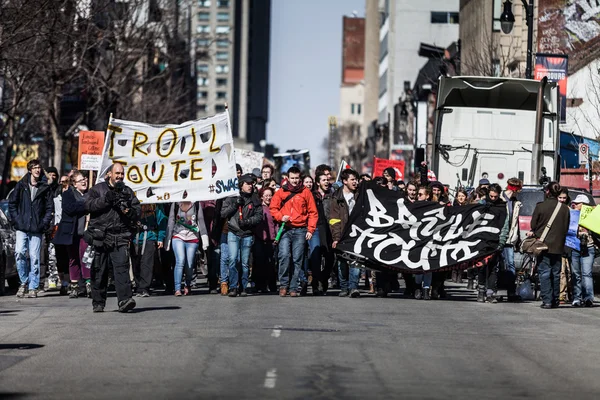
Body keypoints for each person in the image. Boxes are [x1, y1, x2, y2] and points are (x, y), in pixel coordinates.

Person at [84, 163, 140, 312]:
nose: (120, 176)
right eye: (117, 173)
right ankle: (98, 302)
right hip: (101, 235)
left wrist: (128, 211)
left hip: (120, 235)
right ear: (109, 174)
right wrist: (105, 200)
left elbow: (137, 210)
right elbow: (88, 205)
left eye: (122, 173)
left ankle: (125, 300)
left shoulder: (127, 191)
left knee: (122, 269)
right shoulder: (97, 189)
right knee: (99, 270)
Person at [8, 159, 54, 298]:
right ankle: (23, 282)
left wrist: (43, 224)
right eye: (34, 167)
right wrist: (17, 220)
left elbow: (49, 208)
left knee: (34, 257)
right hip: (22, 227)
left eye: (39, 167)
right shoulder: (21, 185)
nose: (37, 170)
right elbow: (12, 204)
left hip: (37, 227)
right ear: (29, 170)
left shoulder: (44, 187)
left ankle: (33, 286)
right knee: (19, 253)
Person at [271, 166, 318, 297]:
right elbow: (273, 208)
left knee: (298, 259)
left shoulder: (306, 192)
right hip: (285, 229)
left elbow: (313, 212)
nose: (295, 181)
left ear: (300, 178)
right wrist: (281, 216)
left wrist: (310, 229)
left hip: (301, 230)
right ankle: (283, 284)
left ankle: (293, 287)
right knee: (284, 256)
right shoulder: (281, 191)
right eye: (292, 178)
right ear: (288, 178)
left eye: (297, 178)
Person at [528, 182, 570, 309]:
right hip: (558, 246)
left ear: (547, 192)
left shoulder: (541, 206)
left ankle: (547, 300)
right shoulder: (564, 208)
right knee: (556, 273)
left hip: (543, 244)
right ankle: (555, 300)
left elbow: (533, 225)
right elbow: (566, 227)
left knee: (545, 272)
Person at [221, 173, 263, 297]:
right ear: (241, 185)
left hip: (247, 234)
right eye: (247, 184)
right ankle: (233, 287)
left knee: (245, 263)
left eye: (251, 184)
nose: (250, 186)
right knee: (233, 260)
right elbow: (223, 213)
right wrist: (235, 205)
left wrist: (248, 222)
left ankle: (243, 286)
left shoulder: (255, 198)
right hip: (233, 232)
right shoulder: (232, 197)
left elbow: (259, 216)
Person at [53, 171, 90, 298]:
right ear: (74, 184)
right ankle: (74, 285)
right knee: (73, 258)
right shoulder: (68, 194)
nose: (84, 182)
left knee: (86, 258)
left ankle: (88, 284)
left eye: (85, 179)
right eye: (81, 180)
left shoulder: (90, 194)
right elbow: (70, 208)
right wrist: (86, 205)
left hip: (85, 232)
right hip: (71, 232)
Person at [166, 201, 209, 296]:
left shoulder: (196, 203)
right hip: (178, 235)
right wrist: (167, 240)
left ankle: (188, 284)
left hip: (192, 236)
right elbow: (171, 220)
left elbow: (200, 220)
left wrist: (204, 239)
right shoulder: (175, 203)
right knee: (180, 260)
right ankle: (177, 288)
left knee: (189, 264)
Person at [330, 169, 361, 298]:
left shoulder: (360, 195)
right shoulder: (336, 197)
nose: (355, 182)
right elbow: (333, 220)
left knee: (356, 261)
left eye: (356, 179)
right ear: (345, 181)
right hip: (342, 234)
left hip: (357, 234)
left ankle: (353, 287)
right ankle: (343, 287)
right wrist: (336, 238)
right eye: (352, 179)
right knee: (342, 261)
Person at [131, 204, 167, 297]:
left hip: (150, 236)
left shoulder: (155, 204)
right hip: (134, 238)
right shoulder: (131, 201)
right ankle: (138, 286)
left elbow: (161, 219)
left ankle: (144, 288)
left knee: (147, 263)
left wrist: (160, 237)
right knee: (136, 264)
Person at [570, 194, 595, 307]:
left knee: (586, 273)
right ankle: (577, 297)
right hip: (574, 246)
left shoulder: (592, 215)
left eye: (579, 203)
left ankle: (588, 297)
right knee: (575, 273)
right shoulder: (571, 214)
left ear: (584, 205)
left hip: (588, 246)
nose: (576, 204)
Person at [500, 178, 523, 301]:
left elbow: (516, 221)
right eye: (518, 190)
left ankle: (511, 291)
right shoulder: (500, 199)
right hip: (498, 237)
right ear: (514, 189)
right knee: (497, 265)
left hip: (510, 238)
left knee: (511, 265)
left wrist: (517, 238)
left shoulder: (515, 202)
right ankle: (492, 290)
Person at [253, 187, 278, 293]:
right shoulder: (258, 208)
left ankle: (272, 285)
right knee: (259, 262)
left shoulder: (274, 208)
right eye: (266, 195)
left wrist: (277, 237)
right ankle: (260, 285)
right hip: (259, 238)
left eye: (270, 195)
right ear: (261, 197)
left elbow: (277, 224)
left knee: (271, 263)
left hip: (272, 239)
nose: (268, 197)